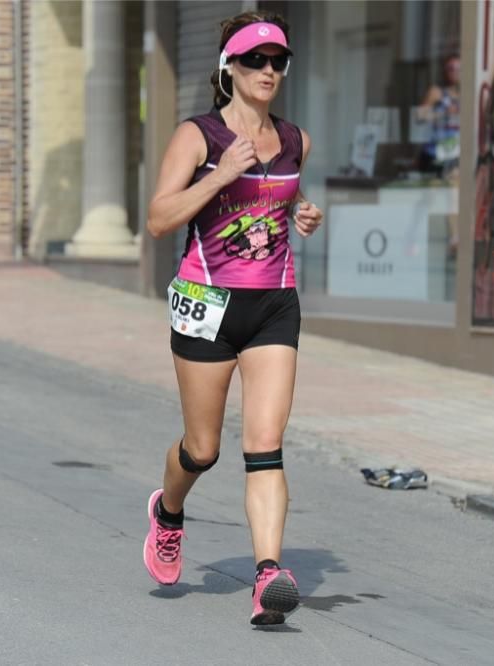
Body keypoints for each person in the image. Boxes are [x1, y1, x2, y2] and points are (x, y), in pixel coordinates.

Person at [142, 11, 323, 626]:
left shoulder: (296, 140)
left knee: (266, 447)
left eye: (278, 61)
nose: (269, 71)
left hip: (274, 303)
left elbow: (281, 195)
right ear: (230, 67)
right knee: (202, 448)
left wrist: (302, 212)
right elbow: (160, 219)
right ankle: (168, 512)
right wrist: (220, 175)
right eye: (256, 60)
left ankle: (268, 575)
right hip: (208, 305)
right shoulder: (198, 137)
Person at [416, 54, 461, 178]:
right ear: (445, 71)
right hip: (434, 154)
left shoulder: (466, 96)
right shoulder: (437, 92)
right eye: (451, 68)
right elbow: (420, 116)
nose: (456, 72)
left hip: (455, 154)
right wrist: (444, 113)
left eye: (460, 68)